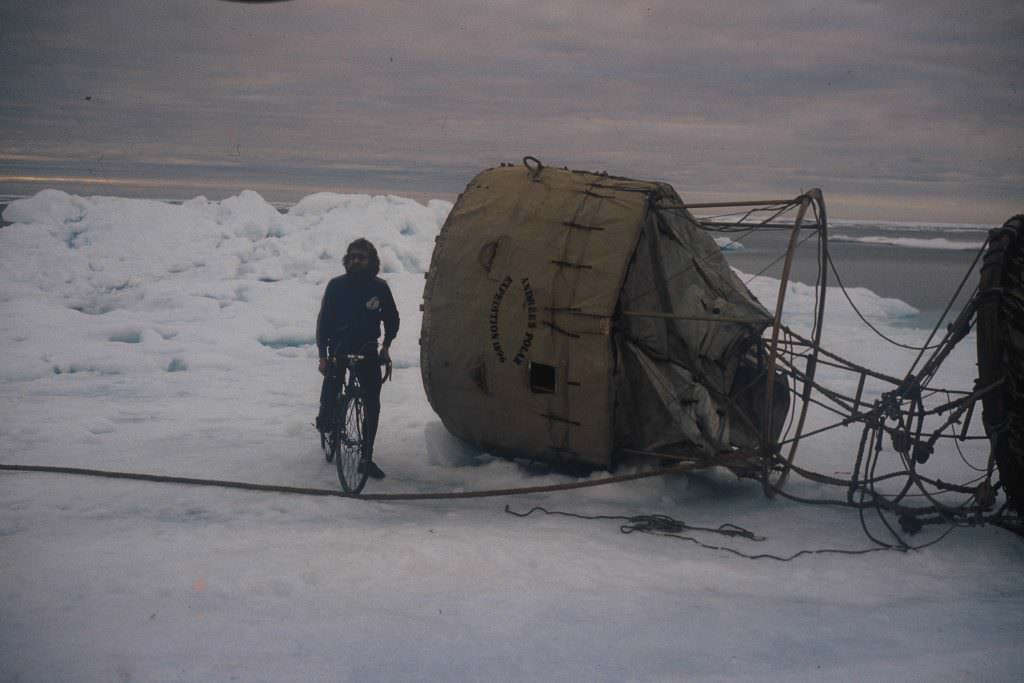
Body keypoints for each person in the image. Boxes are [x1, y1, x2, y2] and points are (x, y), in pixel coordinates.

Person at [315, 238, 399, 479]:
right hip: (339, 349)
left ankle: (366, 457)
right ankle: (327, 421)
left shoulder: (380, 288)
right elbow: (324, 322)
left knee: (372, 403)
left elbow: (392, 319)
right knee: (331, 391)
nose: (355, 261)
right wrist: (323, 355)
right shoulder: (336, 286)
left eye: (361, 257)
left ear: (371, 261)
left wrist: (386, 346)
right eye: (352, 256)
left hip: (368, 351)